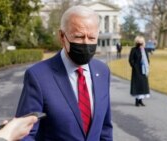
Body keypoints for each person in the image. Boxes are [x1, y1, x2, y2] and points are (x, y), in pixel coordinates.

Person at [16, 5, 113, 141]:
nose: (85, 43)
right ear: (62, 36)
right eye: (79, 37)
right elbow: (25, 135)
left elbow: (105, 128)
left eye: (91, 38)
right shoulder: (38, 76)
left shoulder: (102, 71)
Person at [129, 36, 150, 107]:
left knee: (143, 86)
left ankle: (141, 100)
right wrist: (135, 67)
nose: (140, 44)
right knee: (137, 85)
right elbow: (131, 60)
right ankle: (137, 101)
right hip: (137, 71)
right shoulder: (134, 50)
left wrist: (146, 67)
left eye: (142, 42)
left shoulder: (145, 50)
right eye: (139, 42)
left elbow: (147, 59)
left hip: (144, 70)